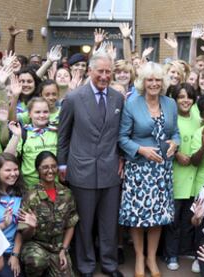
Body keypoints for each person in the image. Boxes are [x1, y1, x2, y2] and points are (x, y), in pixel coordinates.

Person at [57, 51, 124, 277]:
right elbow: (63, 135)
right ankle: (85, 266)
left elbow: (120, 134)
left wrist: (122, 158)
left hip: (110, 170)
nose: (104, 76)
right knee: (84, 223)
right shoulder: (74, 98)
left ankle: (109, 264)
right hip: (81, 170)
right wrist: (62, 165)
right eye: (100, 71)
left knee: (109, 223)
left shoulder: (117, 98)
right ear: (90, 71)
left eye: (108, 72)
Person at [118, 61, 180, 277]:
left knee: (157, 217)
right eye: (149, 80)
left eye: (157, 80)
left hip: (162, 169)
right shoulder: (132, 104)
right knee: (137, 216)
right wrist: (141, 150)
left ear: (163, 82)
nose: (154, 83)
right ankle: (139, 257)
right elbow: (122, 138)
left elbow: (176, 133)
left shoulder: (170, 103)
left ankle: (152, 258)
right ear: (143, 82)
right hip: (139, 169)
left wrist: (175, 143)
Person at [18, 151, 78, 277]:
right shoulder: (30, 196)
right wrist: (31, 226)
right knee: (36, 261)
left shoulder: (66, 194)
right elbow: (24, 236)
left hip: (58, 248)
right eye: (45, 167)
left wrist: (64, 250)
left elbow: (71, 224)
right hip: (36, 246)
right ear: (38, 170)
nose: (50, 171)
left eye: (53, 166)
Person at [164, 83, 200, 271]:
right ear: (174, 99)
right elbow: (164, 138)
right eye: (181, 96)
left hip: (194, 174)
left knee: (188, 217)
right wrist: (177, 153)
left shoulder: (197, 115)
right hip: (175, 174)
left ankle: (183, 250)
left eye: (189, 96)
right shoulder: (170, 116)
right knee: (173, 219)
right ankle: (170, 254)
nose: (185, 100)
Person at [4, 97, 58, 189]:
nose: (42, 115)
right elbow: (7, 157)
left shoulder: (56, 131)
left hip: (53, 185)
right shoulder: (23, 133)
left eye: (45, 112)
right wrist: (16, 136)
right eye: (37, 112)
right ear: (29, 114)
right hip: (30, 187)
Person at [0, 153, 26, 277]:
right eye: (8, 170)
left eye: (15, 169)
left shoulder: (21, 194)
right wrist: (3, 225)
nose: (13, 173)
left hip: (13, 249)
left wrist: (15, 255)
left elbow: (20, 229)